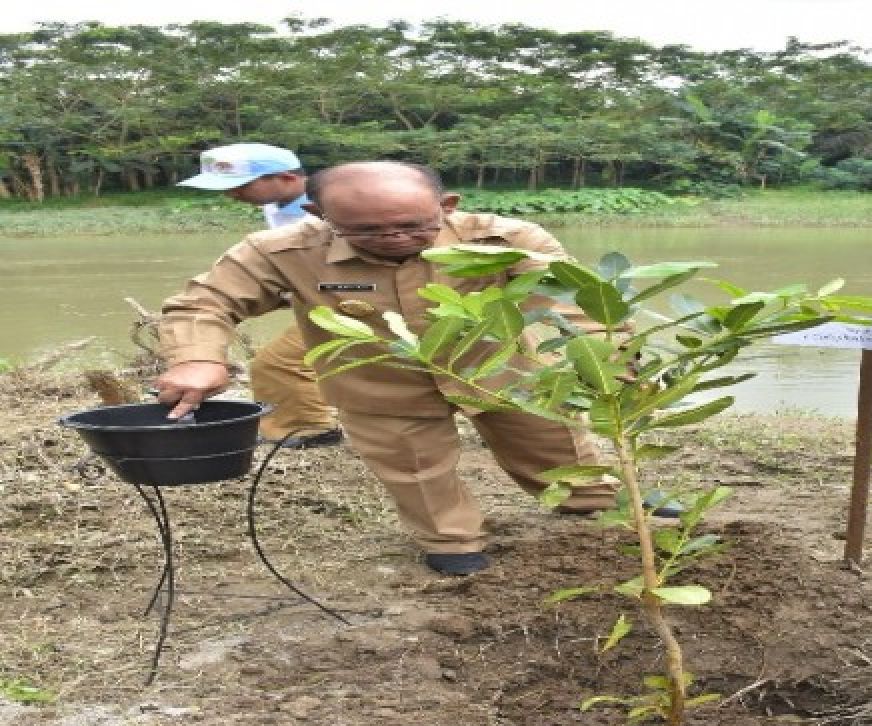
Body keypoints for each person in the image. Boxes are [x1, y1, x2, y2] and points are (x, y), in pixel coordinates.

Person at [153, 161, 674, 576]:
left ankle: (592, 500)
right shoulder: (280, 250)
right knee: (414, 467)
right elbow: (204, 303)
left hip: (499, 369)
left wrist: (612, 368)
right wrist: (197, 357)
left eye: (413, 225)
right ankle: (452, 542)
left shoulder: (504, 239)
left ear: (446, 205)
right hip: (376, 379)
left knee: (553, 443)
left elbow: (577, 302)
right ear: (317, 212)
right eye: (367, 231)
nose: (395, 238)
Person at [178, 143, 343, 449]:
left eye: (241, 185)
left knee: (279, 363)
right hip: (320, 298)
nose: (232, 194)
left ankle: (307, 428)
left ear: (286, 178)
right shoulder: (276, 204)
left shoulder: (334, 209)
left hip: (353, 302)